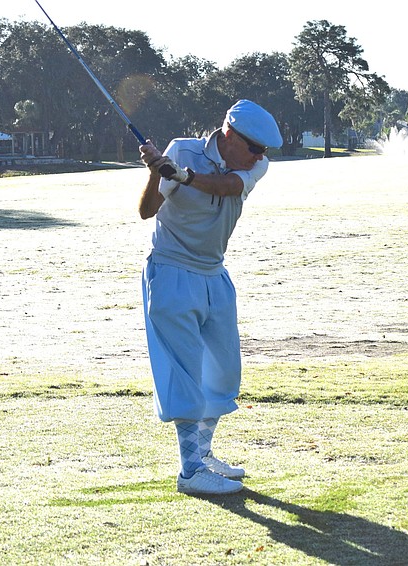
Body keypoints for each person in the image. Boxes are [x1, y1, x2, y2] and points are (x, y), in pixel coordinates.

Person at [138, 99, 282, 495]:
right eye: (254, 148)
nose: (260, 157)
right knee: (185, 372)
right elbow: (147, 210)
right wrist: (157, 173)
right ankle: (190, 472)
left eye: (263, 151)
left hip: (214, 273)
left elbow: (227, 186)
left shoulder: (251, 167)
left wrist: (183, 177)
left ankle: (202, 455)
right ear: (229, 135)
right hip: (171, 271)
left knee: (222, 372)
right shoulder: (181, 149)